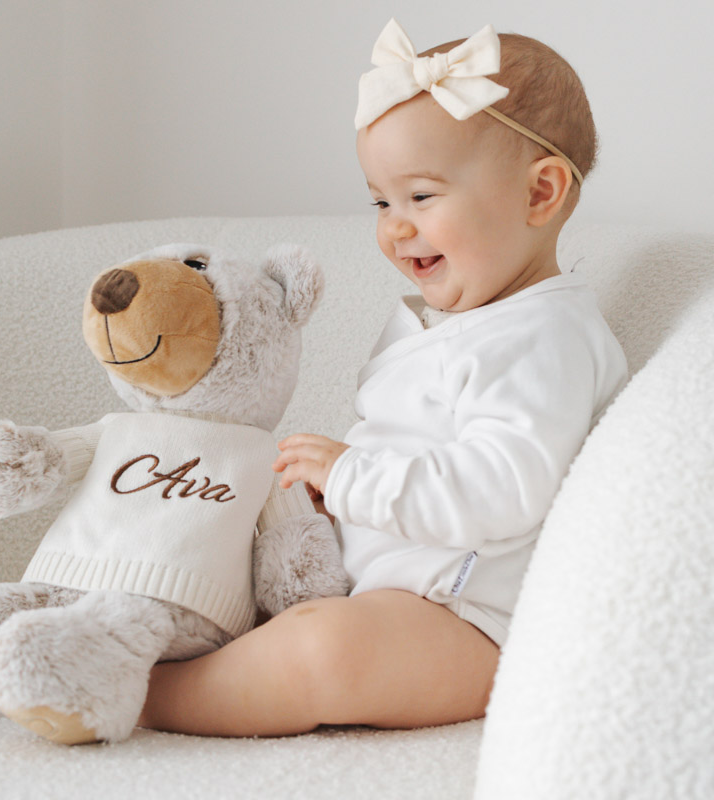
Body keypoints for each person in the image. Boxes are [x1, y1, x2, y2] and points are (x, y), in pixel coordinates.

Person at [138, 19, 628, 737]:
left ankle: (146, 696)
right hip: (390, 590)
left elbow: (503, 490)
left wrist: (355, 479)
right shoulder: (476, 324)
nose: (395, 228)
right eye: (381, 202)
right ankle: (124, 634)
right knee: (207, 534)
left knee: (324, 651)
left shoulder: (544, 338)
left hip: (470, 625)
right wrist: (335, 505)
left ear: (540, 194)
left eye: (422, 197)